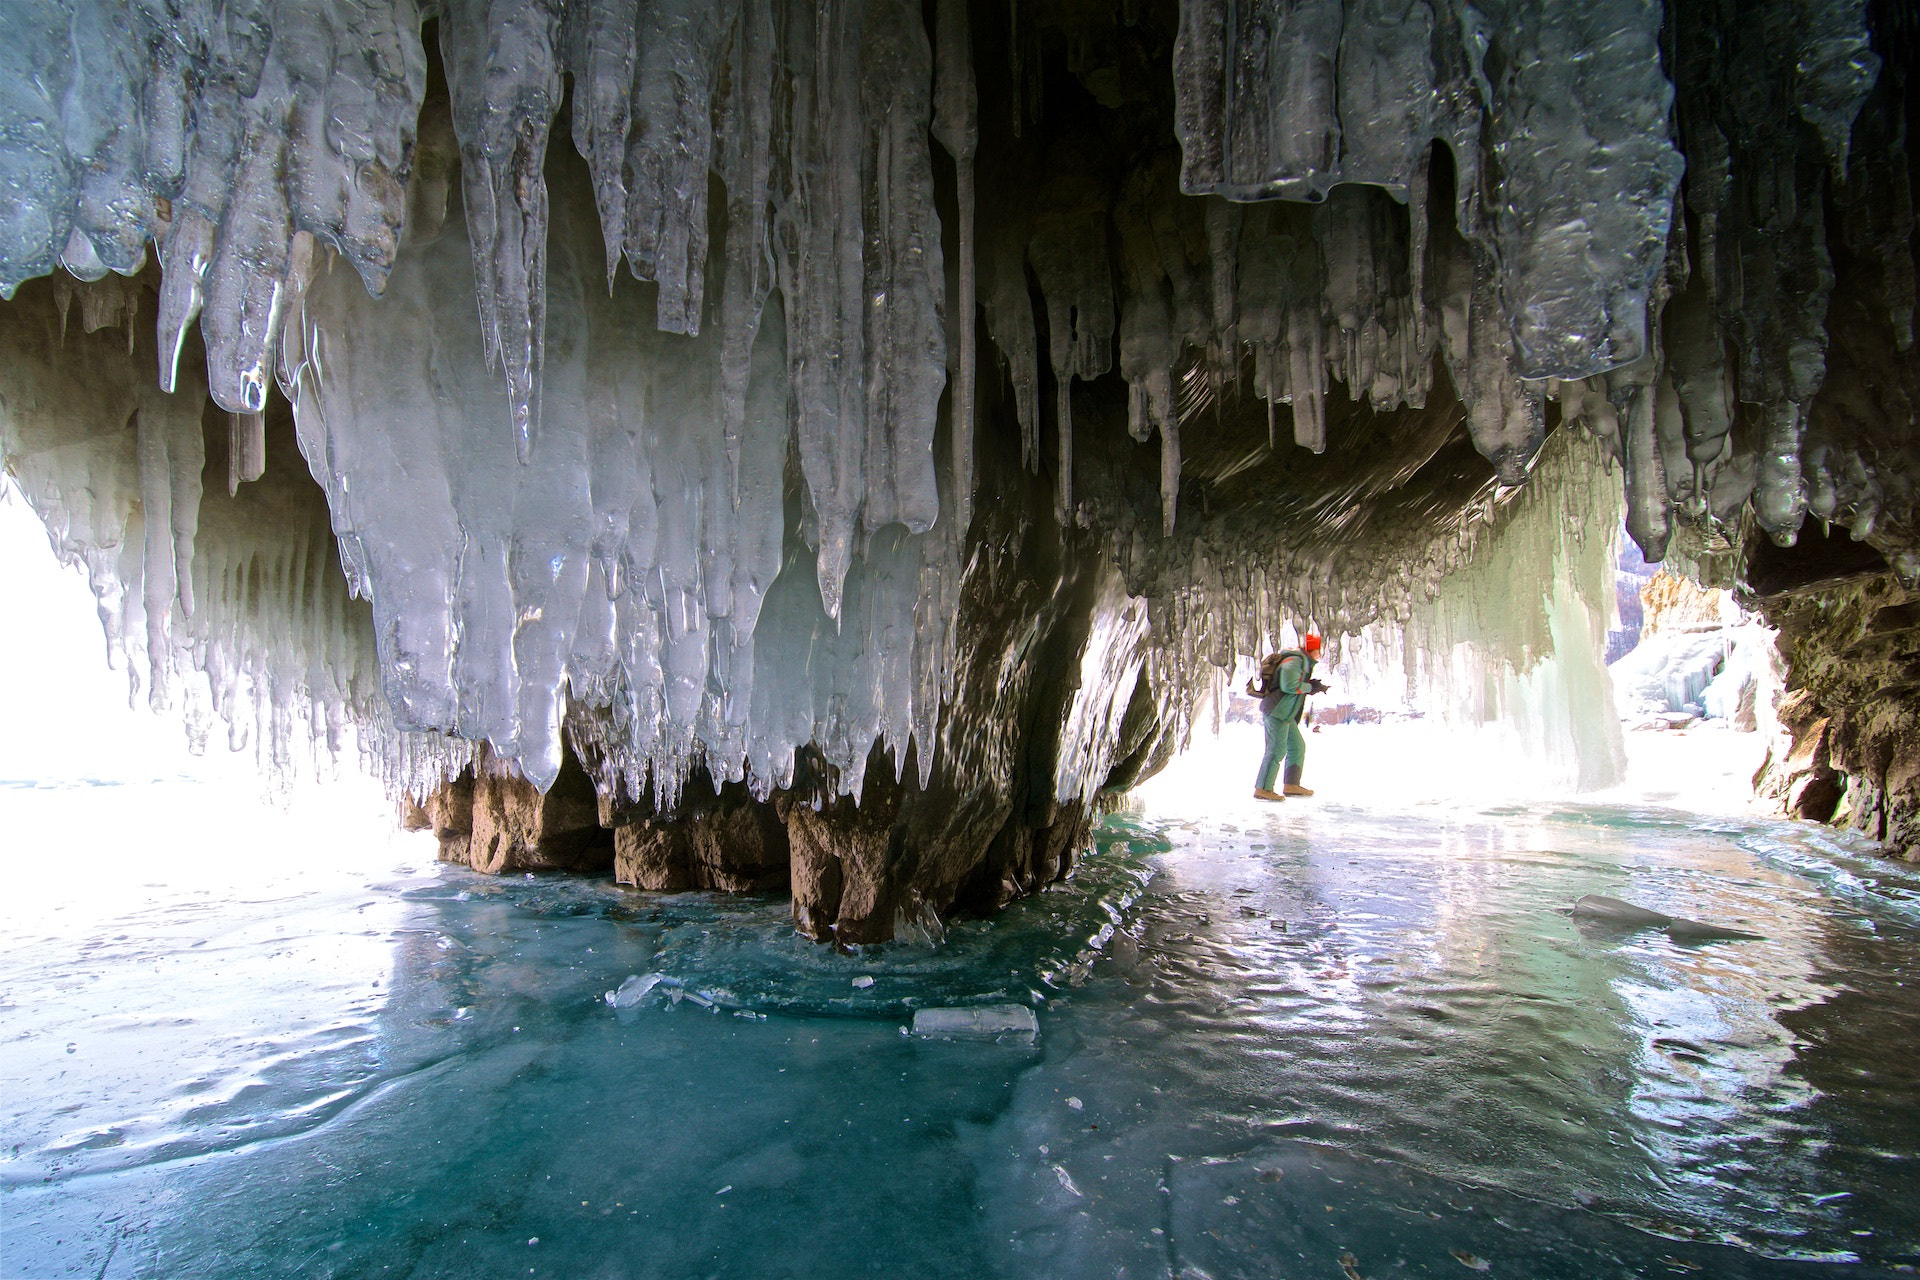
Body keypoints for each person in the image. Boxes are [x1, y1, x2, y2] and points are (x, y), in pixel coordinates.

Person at [1248, 634, 1328, 801]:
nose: (1320, 653)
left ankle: (1291, 784)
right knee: (1276, 750)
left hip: (1286, 713)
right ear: (1311, 650)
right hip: (1277, 711)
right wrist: (1309, 687)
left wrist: (1311, 686)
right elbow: (1288, 685)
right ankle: (1263, 788)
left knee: (1297, 746)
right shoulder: (1294, 661)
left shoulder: (1302, 662)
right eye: (1318, 649)